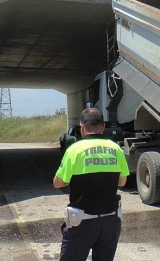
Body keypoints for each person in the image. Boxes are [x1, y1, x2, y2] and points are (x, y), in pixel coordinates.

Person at [53, 107, 129, 261]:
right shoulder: (115, 149)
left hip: (82, 222)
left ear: (82, 127)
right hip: (110, 222)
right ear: (103, 127)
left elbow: (58, 183)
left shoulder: (74, 150)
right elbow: (122, 182)